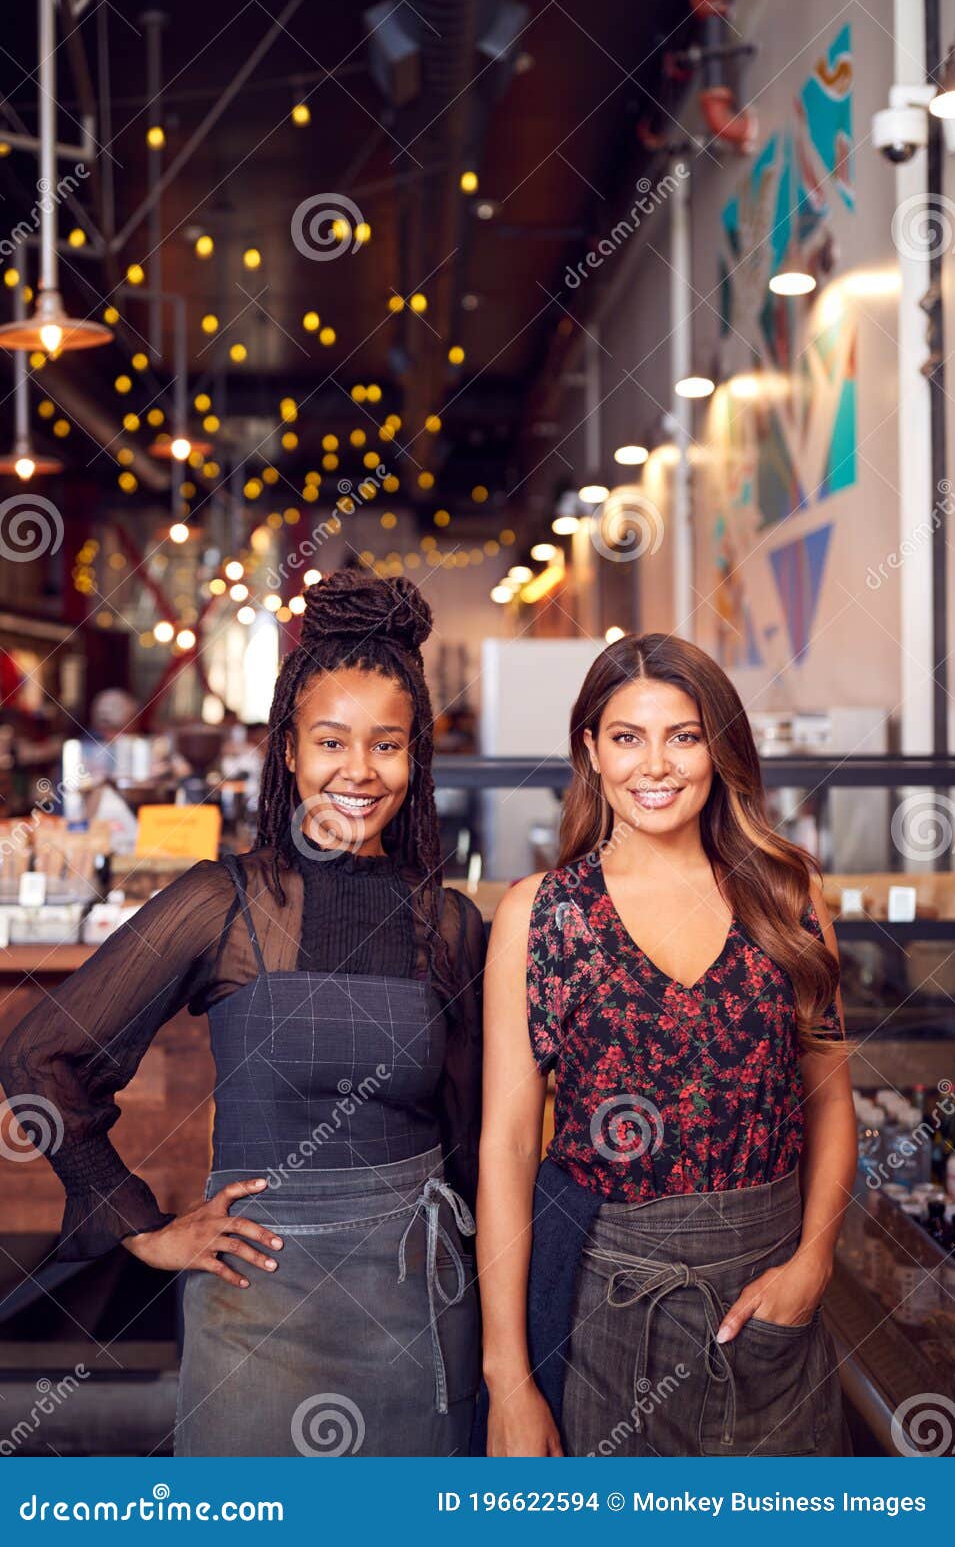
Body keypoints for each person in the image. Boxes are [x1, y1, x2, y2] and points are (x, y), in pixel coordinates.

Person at [0, 570, 485, 1457]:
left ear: (415, 759)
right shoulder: (222, 904)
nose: (359, 771)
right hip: (258, 1305)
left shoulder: (446, 924)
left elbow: (470, 1135)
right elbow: (41, 1057)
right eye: (331, 741)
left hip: (419, 1302)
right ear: (289, 752)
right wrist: (138, 1226)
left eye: (387, 745)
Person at [475, 631, 856, 1458]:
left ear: (717, 749)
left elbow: (830, 1100)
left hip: (771, 1298)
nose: (656, 766)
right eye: (626, 737)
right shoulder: (540, 915)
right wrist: (506, 1375)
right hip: (605, 1310)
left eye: (682, 736)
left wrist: (813, 1264)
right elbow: (505, 1146)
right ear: (590, 751)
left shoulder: (788, 892)